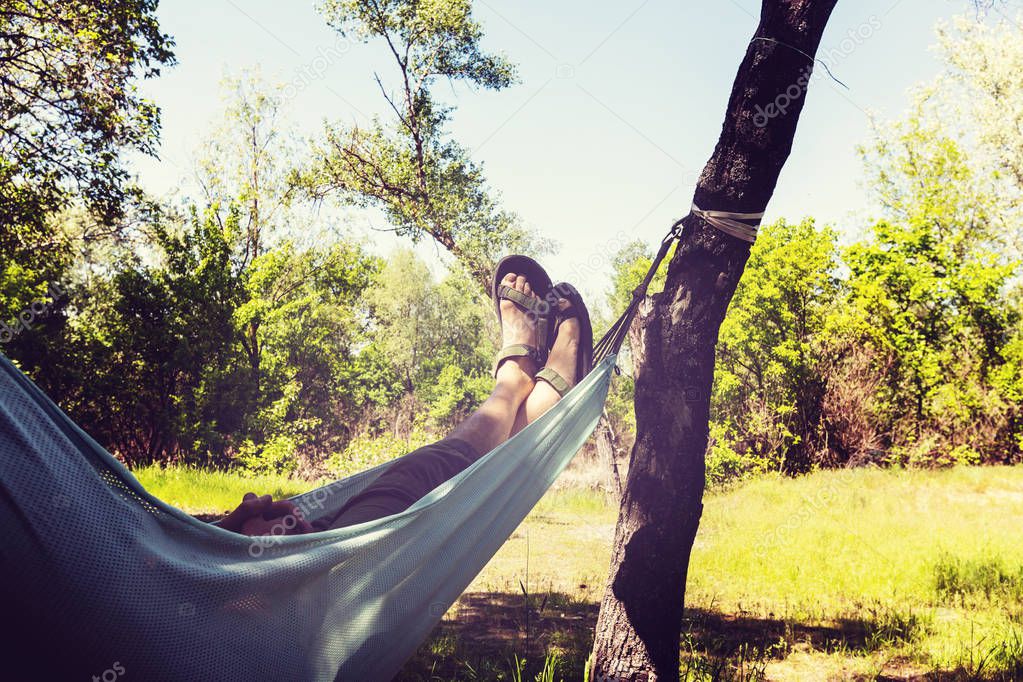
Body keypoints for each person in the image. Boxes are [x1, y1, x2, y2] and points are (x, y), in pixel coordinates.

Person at [219, 262, 592, 536]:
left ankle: (535, 387)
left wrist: (231, 529)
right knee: (424, 472)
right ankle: (516, 378)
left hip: (307, 556)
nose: (254, 501)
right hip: (313, 568)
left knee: (487, 461)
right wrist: (244, 536)